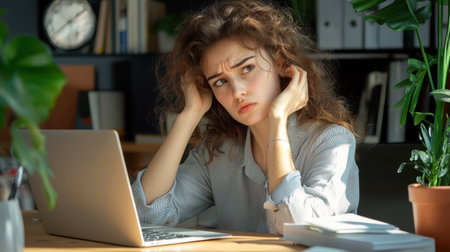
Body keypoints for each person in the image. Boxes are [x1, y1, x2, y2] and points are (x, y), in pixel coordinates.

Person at [132, 0, 359, 235]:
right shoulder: (220, 152)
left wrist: (278, 119)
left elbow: (297, 227)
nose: (237, 91)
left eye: (247, 68)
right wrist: (189, 114)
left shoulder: (333, 141)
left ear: (281, 63)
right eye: (220, 81)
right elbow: (146, 214)